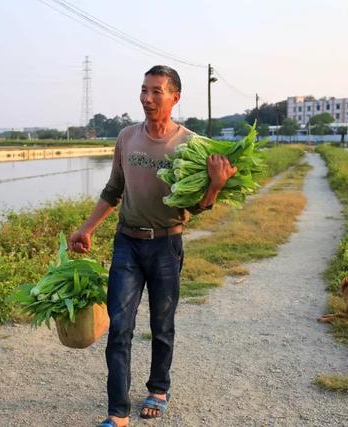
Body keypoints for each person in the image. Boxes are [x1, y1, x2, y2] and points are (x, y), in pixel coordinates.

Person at [68, 65, 237, 427]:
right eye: (144, 90)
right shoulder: (127, 137)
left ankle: (158, 390)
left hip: (166, 245)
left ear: (175, 97)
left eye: (156, 91)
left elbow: (197, 206)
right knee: (120, 327)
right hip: (127, 242)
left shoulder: (191, 145)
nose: (147, 98)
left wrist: (215, 185)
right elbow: (113, 190)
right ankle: (117, 412)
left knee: (162, 324)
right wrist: (87, 228)